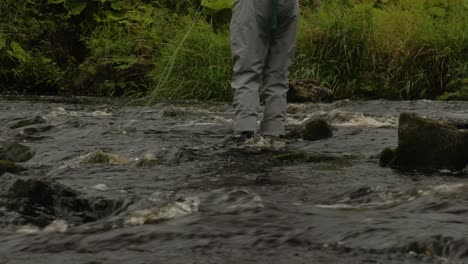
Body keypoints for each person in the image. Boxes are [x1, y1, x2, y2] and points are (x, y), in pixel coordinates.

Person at [230, 0, 299, 142]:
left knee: (247, 72)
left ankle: (245, 134)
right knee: (278, 73)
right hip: (289, 4)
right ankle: (274, 132)